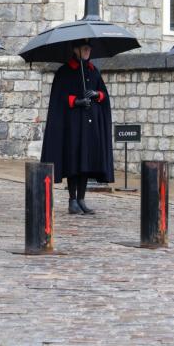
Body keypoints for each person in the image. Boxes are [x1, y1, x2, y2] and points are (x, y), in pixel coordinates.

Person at [40, 40, 114, 215]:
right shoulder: (65, 72)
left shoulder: (93, 71)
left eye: (89, 48)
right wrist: (76, 101)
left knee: (86, 162)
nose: (88, 51)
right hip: (72, 125)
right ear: (76, 50)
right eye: (84, 48)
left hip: (90, 124)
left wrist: (97, 94)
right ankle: (72, 199)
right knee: (74, 162)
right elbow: (59, 97)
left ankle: (81, 198)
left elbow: (104, 94)